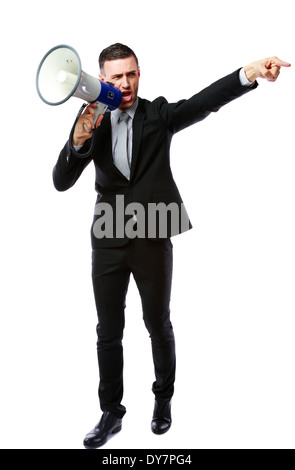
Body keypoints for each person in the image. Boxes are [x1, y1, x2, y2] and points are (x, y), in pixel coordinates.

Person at [53, 43, 290, 449]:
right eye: (114, 77)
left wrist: (248, 73)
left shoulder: (158, 114)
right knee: (107, 331)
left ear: (139, 74)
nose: (123, 83)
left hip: (153, 228)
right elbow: (61, 180)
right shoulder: (92, 117)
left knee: (157, 323)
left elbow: (204, 102)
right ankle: (111, 412)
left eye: (130, 74)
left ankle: (163, 401)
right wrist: (78, 140)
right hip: (108, 234)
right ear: (102, 80)